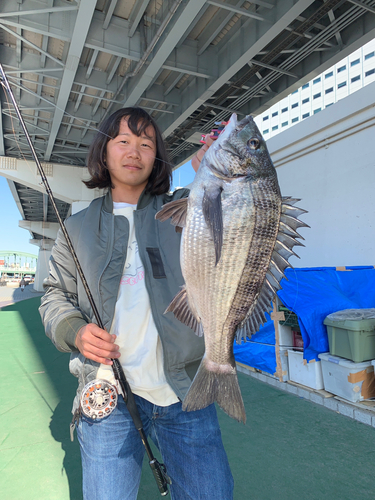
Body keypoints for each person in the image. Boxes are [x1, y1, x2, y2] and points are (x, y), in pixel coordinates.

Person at [39, 107, 233, 500]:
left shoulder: (187, 209)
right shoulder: (75, 227)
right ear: (104, 152)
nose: (135, 151)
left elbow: (233, 218)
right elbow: (54, 294)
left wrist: (219, 168)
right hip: (107, 396)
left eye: (146, 143)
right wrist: (74, 331)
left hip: (185, 392)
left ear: (158, 156)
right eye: (123, 141)